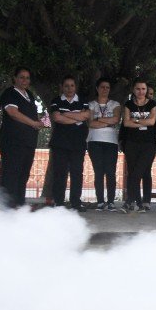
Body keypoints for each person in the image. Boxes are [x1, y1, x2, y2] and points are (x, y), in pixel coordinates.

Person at [0, 68, 47, 208]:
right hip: (13, 141)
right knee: (11, 174)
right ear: (15, 78)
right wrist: (33, 123)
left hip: (28, 142)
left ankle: (19, 205)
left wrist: (40, 122)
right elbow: (13, 112)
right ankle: (6, 207)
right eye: (21, 77)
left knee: (23, 174)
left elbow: (32, 115)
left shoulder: (30, 95)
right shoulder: (10, 93)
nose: (24, 80)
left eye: (27, 78)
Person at [48, 76, 91, 211]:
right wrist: (77, 117)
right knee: (60, 173)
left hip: (78, 144)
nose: (69, 88)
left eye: (72, 85)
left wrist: (66, 114)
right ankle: (59, 202)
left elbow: (86, 116)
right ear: (62, 87)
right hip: (60, 143)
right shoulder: (56, 101)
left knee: (77, 173)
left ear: (75, 87)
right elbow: (56, 118)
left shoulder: (83, 101)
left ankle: (75, 203)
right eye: (66, 85)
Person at [122, 78, 156, 213]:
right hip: (131, 143)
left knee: (139, 172)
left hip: (148, 144)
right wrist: (143, 121)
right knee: (133, 173)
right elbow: (126, 123)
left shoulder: (153, 104)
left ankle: (130, 201)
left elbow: (152, 122)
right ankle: (138, 203)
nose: (141, 91)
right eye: (138, 89)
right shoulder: (128, 104)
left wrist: (135, 120)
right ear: (133, 90)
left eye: (143, 89)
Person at [87, 78, 122, 211]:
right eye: (102, 87)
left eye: (107, 87)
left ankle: (111, 201)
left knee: (111, 172)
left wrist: (98, 119)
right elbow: (90, 123)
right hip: (94, 141)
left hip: (111, 142)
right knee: (99, 172)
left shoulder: (115, 104)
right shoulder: (91, 104)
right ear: (97, 88)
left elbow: (116, 119)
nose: (105, 89)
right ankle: (100, 201)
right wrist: (108, 122)